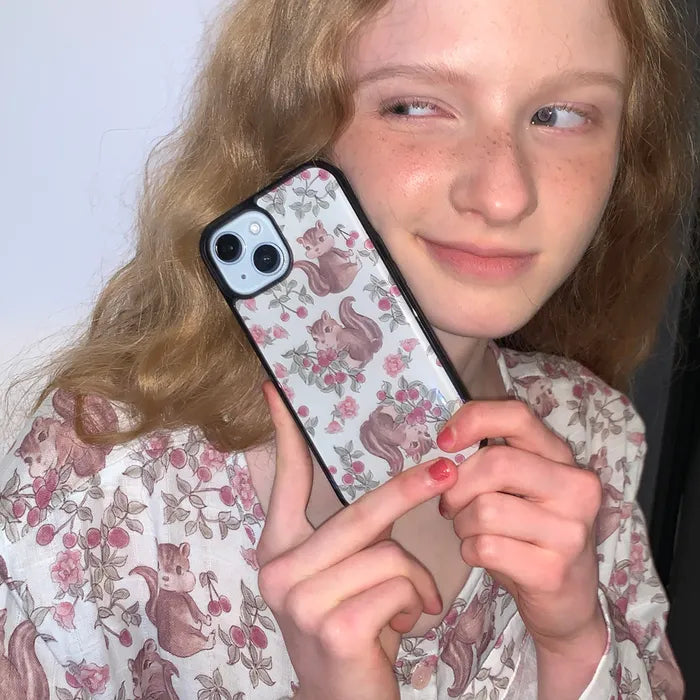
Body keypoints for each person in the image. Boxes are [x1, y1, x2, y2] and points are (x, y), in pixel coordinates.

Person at [0, 0, 696, 697]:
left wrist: (575, 646)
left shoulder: (594, 431)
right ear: (294, 123)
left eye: (561, 115)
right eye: (415, 106)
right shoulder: (105, 469)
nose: (504, 196)